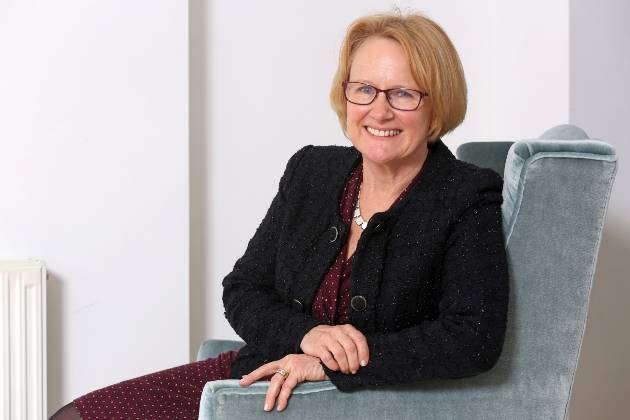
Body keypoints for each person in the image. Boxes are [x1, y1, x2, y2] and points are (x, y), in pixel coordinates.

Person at [51, 11, 508, 419]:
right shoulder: (312, 171)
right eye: (364, 88)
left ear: (436, 106)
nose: (379, 109)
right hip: (254, 379)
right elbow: (243, 289)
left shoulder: (466, 194)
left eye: (404, 93)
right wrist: (306, 334)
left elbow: (472, 338)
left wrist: (331, 362)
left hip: (351, 402)